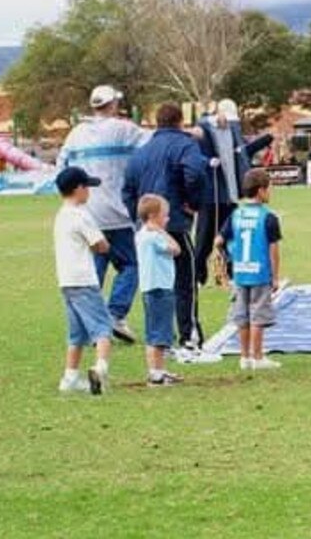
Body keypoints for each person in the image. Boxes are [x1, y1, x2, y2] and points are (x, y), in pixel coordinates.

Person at [57, 85, 148, 344]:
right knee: (132, 264)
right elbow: (154, 143)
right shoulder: (124, 128)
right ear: (113, 105)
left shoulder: (76, 133)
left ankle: (88, 326)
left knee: (93, 270)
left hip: (86, 212)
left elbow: (61, 166)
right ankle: (115, 314)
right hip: (118, 212)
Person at [122, 103, 208, 355]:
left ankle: (160, 340)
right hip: (174, 223)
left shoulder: (141, 152)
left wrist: (139, 219)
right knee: (185, 281)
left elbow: (127, 189)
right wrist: (193, 203)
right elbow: (195, 172)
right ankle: (188, 335)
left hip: (147, 228)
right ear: (180, 121)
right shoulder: (185, 145)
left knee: (154, 284)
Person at [193, 99, 272, 287]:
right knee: (204, 239)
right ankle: (198, 276)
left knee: (230, 238)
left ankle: (229, 274)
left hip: (231, 194)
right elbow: (196, 151)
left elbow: (244, 152)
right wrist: (207, 161)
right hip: (210, 195)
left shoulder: (234, 130)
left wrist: (266, 139)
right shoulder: (205, 129)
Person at [52, 167, 113, 395]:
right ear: (78, 188)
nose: (89, 192)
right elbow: (100, 244)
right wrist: (104, 245)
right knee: (103, 328)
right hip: (84, 279)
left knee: (76, 333)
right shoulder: (81, 214)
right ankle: (101, 368)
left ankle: (70, 377)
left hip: (66, 280)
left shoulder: (61, 215)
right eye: (86, 187)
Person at [216, 169, 283, 371]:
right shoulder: (268, 217)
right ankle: (258, 356)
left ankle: (244, 357)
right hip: (260, 273)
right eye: (269, 188)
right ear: (261, 190)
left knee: (242, 317)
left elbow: (219, 240)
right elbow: (273, 250)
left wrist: (228, 259)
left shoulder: (236, 214)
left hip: (240, 273)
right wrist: (275, 276)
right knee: (257, 316)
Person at [135, 194, 183, 387]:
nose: (168, 219)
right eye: (165, 215)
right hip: (159, 288)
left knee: (156, 331)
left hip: (150, 287)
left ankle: (160, 370)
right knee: (159, 333)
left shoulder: (140, 234)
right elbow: (176, 249)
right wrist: (162, 232)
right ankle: (155, 373)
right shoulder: (154, 237)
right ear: (154, 216)